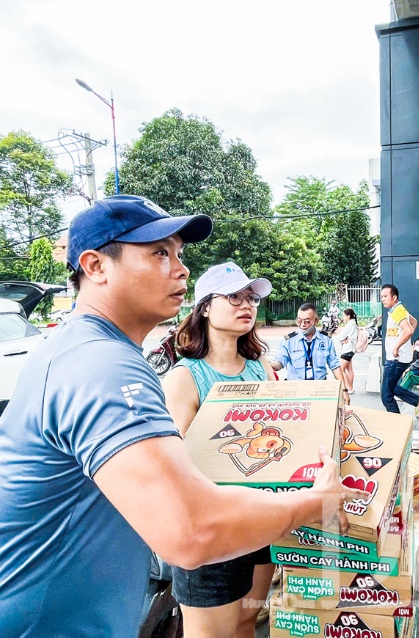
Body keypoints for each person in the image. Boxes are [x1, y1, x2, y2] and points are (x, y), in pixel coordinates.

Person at [0, 196, 363, 636]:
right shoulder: (102, 365)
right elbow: (189, 529)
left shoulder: (91, 350)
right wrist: (315, 503)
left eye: (179, 254)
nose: (181, 269)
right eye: (158, 253)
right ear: (95, 266)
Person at [161, 261, 276, 638]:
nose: (247, 305)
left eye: (251, 298)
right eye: (233, 297)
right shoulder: (185, 377)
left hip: (259, 520)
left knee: (246, 622)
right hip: (211, 530)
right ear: (205, 308)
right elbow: (174, 466)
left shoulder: (262, 370)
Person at [272, 304, 350, 402]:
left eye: (307, 321)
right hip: (295, 392)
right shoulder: (288, 340)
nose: (302, 325)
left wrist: (344, 390)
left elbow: (335, 366)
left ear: (316, 321)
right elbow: (280, 362)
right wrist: (271, 365)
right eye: (299, 321)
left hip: (319, 392)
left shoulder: (326, 340)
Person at [379, 283, 419, 415]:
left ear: (394, 297)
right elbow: (414, 322)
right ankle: (417, 400)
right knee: (391, 387)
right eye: (382, 296)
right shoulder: (399, 309)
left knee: (386, 395)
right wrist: (405, 343)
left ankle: (396, 425)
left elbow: (409, 329)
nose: (383, 299)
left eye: (386, 296)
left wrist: (397, 347)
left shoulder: (398, 311)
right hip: (399, 358)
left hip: (395, 359)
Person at [336, 307, 359, 394]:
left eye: (344, 315)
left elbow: (340, 337)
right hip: (351, 349)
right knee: (349, 369)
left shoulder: (349, 325)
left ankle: (348, 388)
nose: (343, 317)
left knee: (341, 369)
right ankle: (351, 387)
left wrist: (342, 339)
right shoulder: (354, 324)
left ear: (348, 316)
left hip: (347, 349)